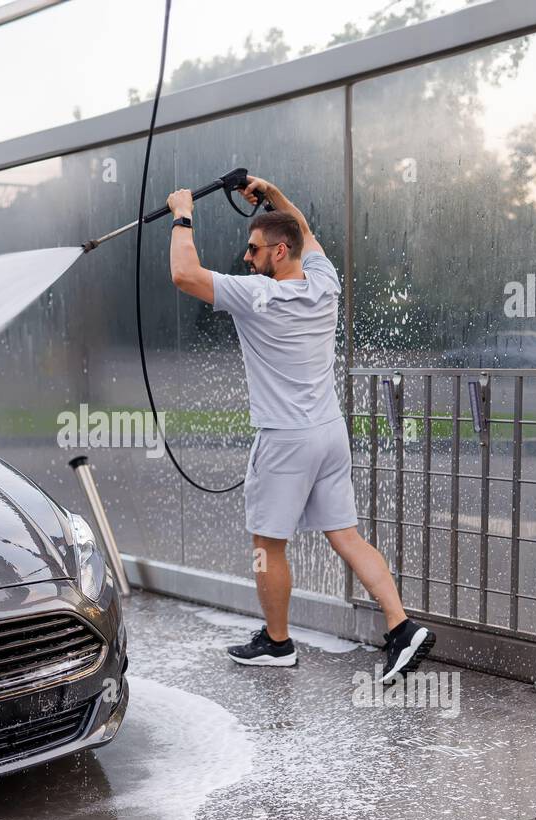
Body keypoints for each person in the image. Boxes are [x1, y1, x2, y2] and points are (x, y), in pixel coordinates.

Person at [165, 175, 435, 682]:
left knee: (268, 547)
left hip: (285, 440)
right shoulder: (323, 283)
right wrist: (272, 195)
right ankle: (401, 629)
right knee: (347, 536)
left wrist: (183, 215)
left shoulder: (257, 297)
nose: (247, 258)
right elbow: (304, 228)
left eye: (254, 248)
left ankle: (277, 641)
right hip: (329, 434)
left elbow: (184, 274)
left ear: (279, 251)